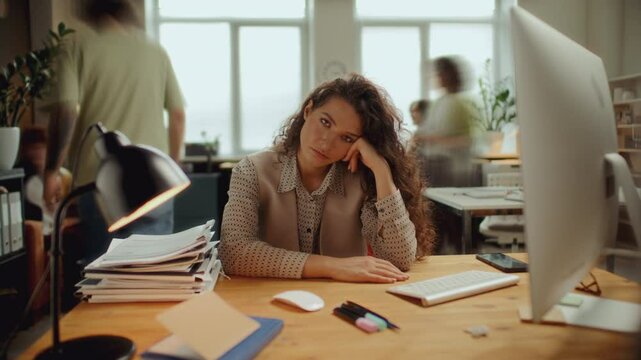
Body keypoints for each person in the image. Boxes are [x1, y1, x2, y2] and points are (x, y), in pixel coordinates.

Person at [219, 74, 435, 283]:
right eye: (325, 122)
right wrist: (332, 267)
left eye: (346, 137)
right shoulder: (252, 170)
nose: (327, 142)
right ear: (308, 110)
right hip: (267, 299)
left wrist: (381, 170)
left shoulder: (361, 178)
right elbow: (233, 252)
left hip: (342, 303)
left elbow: (400, 259)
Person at [43, 0, 185, 262]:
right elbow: (177, 115)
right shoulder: (154, 52)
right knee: (155, 274)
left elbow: (66, 110)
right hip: (156, 179)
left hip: (101, 182)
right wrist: (171, 165)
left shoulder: (75, 47)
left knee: (108, 275)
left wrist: (52, 170)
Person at [413, 56, 476, 187]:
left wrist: (430, 138)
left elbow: (467, 139)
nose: (435, 77)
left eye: (438, 73)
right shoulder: (441, 102)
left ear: (447, 76)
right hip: (439, 168)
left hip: (453, 170)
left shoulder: (458, 103)